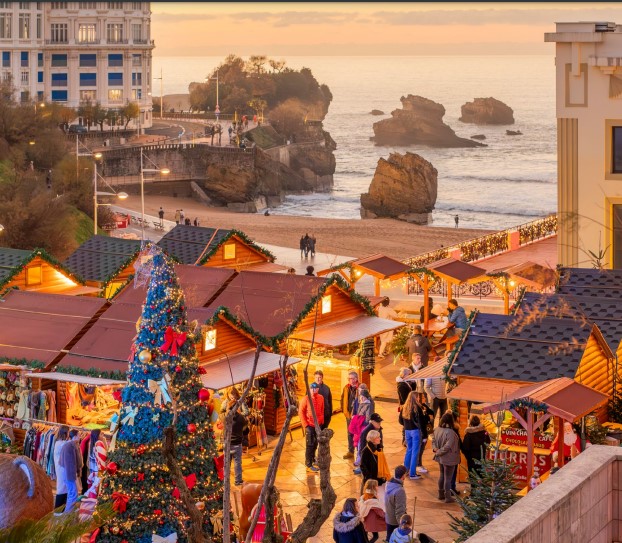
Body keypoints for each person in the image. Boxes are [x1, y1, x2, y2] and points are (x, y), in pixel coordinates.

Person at [432, 411, 461, 503]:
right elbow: (448, 446)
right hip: (449, 458)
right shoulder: (451, 432)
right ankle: (448, 497)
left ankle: (441, 494)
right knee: (448, 478)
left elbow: (433, 441)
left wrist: (435, 450)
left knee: (442, 475)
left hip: (440, 458)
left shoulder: (436, 429)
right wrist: (439, 452)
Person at [299, 382, 324, 472]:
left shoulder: (321, 398)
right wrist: (306, 425)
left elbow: (322, 409)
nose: (313, 390)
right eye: (311, 389)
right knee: (309, 444)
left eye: (315, 388)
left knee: (315, 443)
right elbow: (301, 412)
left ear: (318, 389)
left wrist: (321, 421)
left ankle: (313, 459)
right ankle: (308, 464)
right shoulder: (305, 399)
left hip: (318, 425)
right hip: (309, 425)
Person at [400, 390, 424, 480]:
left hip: (407, 431)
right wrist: (424, 434)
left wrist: (406, 425)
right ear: (415, 398)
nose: (419, 398)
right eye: (418, 397)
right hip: (415, 431)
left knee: (409, 450)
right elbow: (422, 423)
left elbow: (400, 420)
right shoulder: (417, 408)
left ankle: (405, 471)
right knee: (415, 452)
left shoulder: (404, 407)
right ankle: (412, 474)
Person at [60, 429, 83, 512]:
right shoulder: (70, 446)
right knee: (73, 494)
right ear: (75, 436)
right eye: (79, 435)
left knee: (72, 494)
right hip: (69, 474)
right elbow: (69, 463)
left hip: (69, 473)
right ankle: (67, 514)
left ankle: (69, 513)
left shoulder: (72, 445)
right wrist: (72, 476)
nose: (80, 436)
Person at [358, 479, 385, 543]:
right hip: (372, 522)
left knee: (365, 537)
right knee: (375, 536)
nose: (378, 487)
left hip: (364, 520)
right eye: (376, 486)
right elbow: (380, 513)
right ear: (373, 487)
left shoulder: (363, 497)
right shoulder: (374, 500)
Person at [384, 465, 408, 541]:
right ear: (403, 475)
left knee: (389, 538)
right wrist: (402, 525)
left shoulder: (389, 484)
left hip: (388, 518)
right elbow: (400, 510)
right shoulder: (399, 490)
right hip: (395, 521)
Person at [229, 397, 249, 486]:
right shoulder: (241, 418)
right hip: (237, 443)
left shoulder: (226, 417)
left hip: (228, 443)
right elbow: (245, 430)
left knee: (226, 463)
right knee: (237, 462)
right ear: (237, 408)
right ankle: (238, 480)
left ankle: (225, 480)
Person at [341, 371, 359, 460]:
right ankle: (351, 451)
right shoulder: (346, 388)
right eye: (349, 379)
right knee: (349, 433)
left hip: (358, 416)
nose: (350, 380)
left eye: (351, 378)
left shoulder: (360, 388)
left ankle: (360, 452)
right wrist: (344, 411)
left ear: (356, 379)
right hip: (348, 415)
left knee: (358, 433)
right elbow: (342, 399)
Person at [53, 425, 70, 509]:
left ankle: (61, 508)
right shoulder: (61, 444)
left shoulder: (59, 442)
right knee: (61, 488)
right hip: (61, 468)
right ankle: (58, 509)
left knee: (63, 487)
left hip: (62, 468)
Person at [417, 398, 435, 475]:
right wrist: (428, 417)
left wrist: (426, 409)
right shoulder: (418, 409)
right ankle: (418, 465)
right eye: (423, 398)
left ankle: (418, 464)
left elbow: (432, 412)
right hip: (421, 432)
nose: (425, 399)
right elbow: (422, 421)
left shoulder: (423, 406)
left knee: (421, 449)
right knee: (419, 450)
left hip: (425, 431)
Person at [396, 368, 413, 447]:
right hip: (406, 406)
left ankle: (406, 440)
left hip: (407, 405)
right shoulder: (401, 385)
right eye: (409, 374)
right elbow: (404, 398)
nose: (410, 376)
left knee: (406, 423)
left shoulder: (405, 383)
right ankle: (404, 440)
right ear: (405, 375)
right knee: (406, 423)